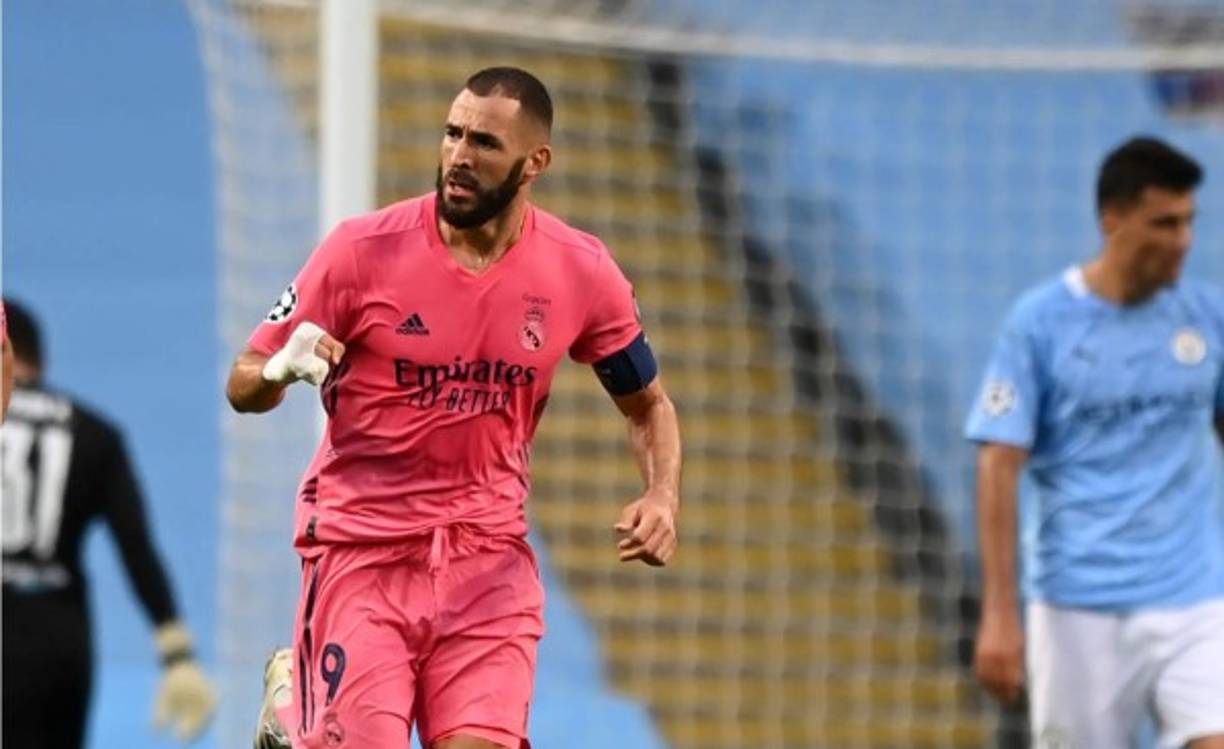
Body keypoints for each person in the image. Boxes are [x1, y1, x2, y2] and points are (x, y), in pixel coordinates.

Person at [227, 66, 682, 749]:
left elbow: (648, 404)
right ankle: (294, 710)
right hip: (364, 551)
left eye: (485, 144)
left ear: (535, 163)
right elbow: (243, 380)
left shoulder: (580, 270)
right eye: (452, 134)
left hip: (487, 559)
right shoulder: (360, 252)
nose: (460, 157)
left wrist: (662, 494)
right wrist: (282, 369)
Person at [967, 137, 1224, 748]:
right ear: (1113, 221)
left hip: (1195, 597)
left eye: (1189, 221)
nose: (1183, 239)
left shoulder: (1205, 317)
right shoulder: (1040, 324)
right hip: (1078, 605)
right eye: (1164, 222)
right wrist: (1000, 614)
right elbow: (998, 464)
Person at [1, 299, 217, 747]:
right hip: (58, 638)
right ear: (40, 358)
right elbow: (136, 546)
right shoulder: (95, 434)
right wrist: (177, 653)